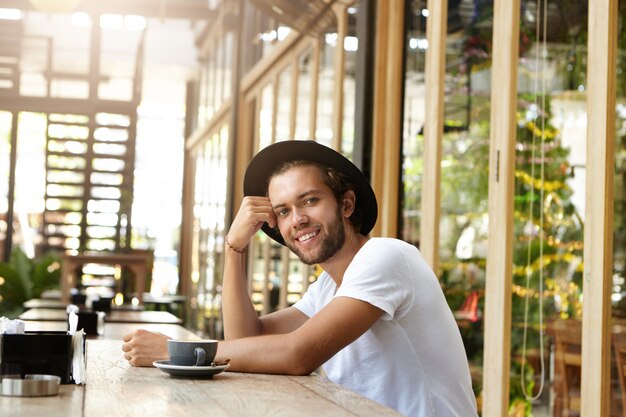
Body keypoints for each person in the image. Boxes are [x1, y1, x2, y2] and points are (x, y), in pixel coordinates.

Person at [122, 140, 477, 417]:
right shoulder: (328, 286)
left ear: (347, 204)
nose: (297, 220)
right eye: (283, 211)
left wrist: (177, 352)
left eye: (309, 201)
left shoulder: (386, 256)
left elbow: (298, 354)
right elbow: (247, 339)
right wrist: (234, 248)